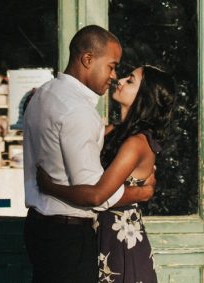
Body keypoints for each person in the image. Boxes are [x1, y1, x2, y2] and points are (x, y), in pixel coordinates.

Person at [22, 25, 155, 283]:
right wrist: (140, 193)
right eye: (111, 66)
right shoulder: (78, 111)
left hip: (39, 228)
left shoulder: (44, 94)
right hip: (67, 237)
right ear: (87, 59)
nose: (114, 76)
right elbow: (95, 195)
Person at [37, 65, 176, 283]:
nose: (120, 80)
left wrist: (50, 187)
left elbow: (97, 196)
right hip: (95, 234)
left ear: (145, 96)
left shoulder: (137, 143)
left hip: (119, 242)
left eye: (130, 80)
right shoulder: (112, 132)